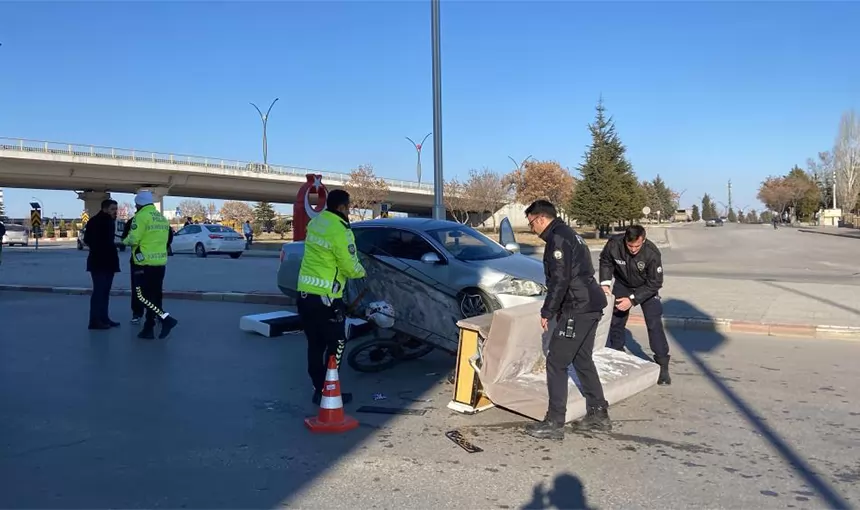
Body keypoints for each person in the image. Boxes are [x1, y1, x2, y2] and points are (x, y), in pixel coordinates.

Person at [523, 200, 611, 440]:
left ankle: (554, 421)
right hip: (590, 304)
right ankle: (598, 414)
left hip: (577, 307)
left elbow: (560, 279)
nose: (532, 229)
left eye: (531, 224)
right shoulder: (569, 233)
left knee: (556, 361)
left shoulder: (558, 239)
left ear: (541, 219)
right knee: (582, 360)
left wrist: (547, 311)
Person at [296, 189, 366, 406]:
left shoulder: (316, 222)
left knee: (314, 344)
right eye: (348, 207)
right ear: (343, 207)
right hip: (327, 298)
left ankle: (318, 389)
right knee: (337, 343)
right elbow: (349, 266)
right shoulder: (341, 230)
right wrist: (363, 272)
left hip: (305, 294)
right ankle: (329, 390)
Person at [599, 224, 671, 385]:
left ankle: (662, 366)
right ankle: (617, 354)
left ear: (643, 240)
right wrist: (604, 283)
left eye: (637, 245)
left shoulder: (652, 253)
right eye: (630, 245)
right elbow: (605, 260)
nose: (633, 249)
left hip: (646, 287)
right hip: (623, 284)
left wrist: (632, 300)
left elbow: (655, 282)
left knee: (654, 323)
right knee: (616, 320)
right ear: (625, 240)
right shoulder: (614, 244)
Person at [123, 191, 178, 340]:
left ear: (139, 204)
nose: (135, 206)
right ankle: (149, 327)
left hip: (143, 263)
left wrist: (122, 242)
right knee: (155, 294)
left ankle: (166, 319)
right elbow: (168, 239)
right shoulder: (161, 218)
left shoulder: (140, 217)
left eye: (136, 204)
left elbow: (133, 239)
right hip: (159, 262)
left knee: (141, 296)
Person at [84, 199, 121, 330]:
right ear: (105, 209)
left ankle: (104, 318)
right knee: (99, 292)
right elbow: (88, 239)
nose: (115, 211)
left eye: (116, 209)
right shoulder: (96, 221)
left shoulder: (110, 221)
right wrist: (102, 247)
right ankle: (94, 321)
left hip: (107, 261)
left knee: (105, 292)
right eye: (112, 209)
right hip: (99, 261)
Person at [121, 215, 145, 324]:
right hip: (157, 260)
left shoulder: (134, 220)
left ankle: (137, 314)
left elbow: (127, 238)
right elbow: (169, 237)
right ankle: (156, 313)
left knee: (138, 289)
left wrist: (125, 241)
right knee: (155, 289)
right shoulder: (160, 219)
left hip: (139, 260)